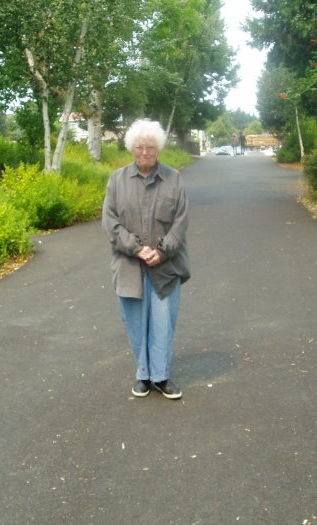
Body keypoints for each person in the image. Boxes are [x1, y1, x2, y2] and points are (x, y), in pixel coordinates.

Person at [102, 119, 191, 400]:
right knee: (136, 322)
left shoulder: (174, 178)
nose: (144, 152)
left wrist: (162, 251)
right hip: (129, 264)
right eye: (139, 147)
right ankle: (143, 374)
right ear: (131, 148)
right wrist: (136, 248)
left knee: (163, 322)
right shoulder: (117, 179)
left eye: (150, 147)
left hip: (166, 265)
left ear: (158, 149)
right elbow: (110, 221)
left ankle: (162, 376)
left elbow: (180, 221)